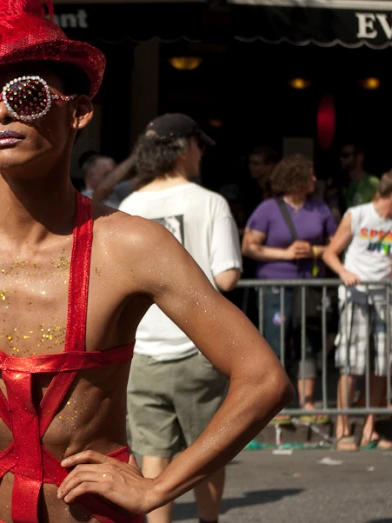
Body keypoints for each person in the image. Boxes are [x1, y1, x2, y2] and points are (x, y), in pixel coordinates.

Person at [0, 2, 292, 522]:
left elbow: (263, 377)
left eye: (26, 95)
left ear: (79, 112)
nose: (2, 112)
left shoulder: (133, 245)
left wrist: (159, 487)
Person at [119, 113, 242, 523]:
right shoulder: (210, 202)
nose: (202, 152)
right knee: (207, 451)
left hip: (142, 350)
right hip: (200, 347)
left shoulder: (129, 205)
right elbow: (226, 278)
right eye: (199, 144)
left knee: (152, 457)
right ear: (183, 149)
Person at [322, 169, 392, 451]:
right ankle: (343, 428)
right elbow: (330, 252)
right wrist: (344, 272)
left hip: (384, 296)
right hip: (356, 296)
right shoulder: (358, 214)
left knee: (380, 366)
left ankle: (369, 428)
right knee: (351, 365)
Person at [242, 155, 337, 424]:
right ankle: (277, 404)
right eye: (310, 175)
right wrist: (285, 254)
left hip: (310, 287)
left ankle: (307, 402)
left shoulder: (321, 209)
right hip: (275, 286)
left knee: (309, 342)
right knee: (276, 341)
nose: (315, 180)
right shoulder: (267, 209)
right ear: (296, 178)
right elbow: (249, 247)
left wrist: (314, 250)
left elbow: (336, 245)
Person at [340, 142, 379, 210]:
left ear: (359, 157)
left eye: (346, 155)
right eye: (341, 156)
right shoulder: (342, 183)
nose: (341, 159)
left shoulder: (373, 183)